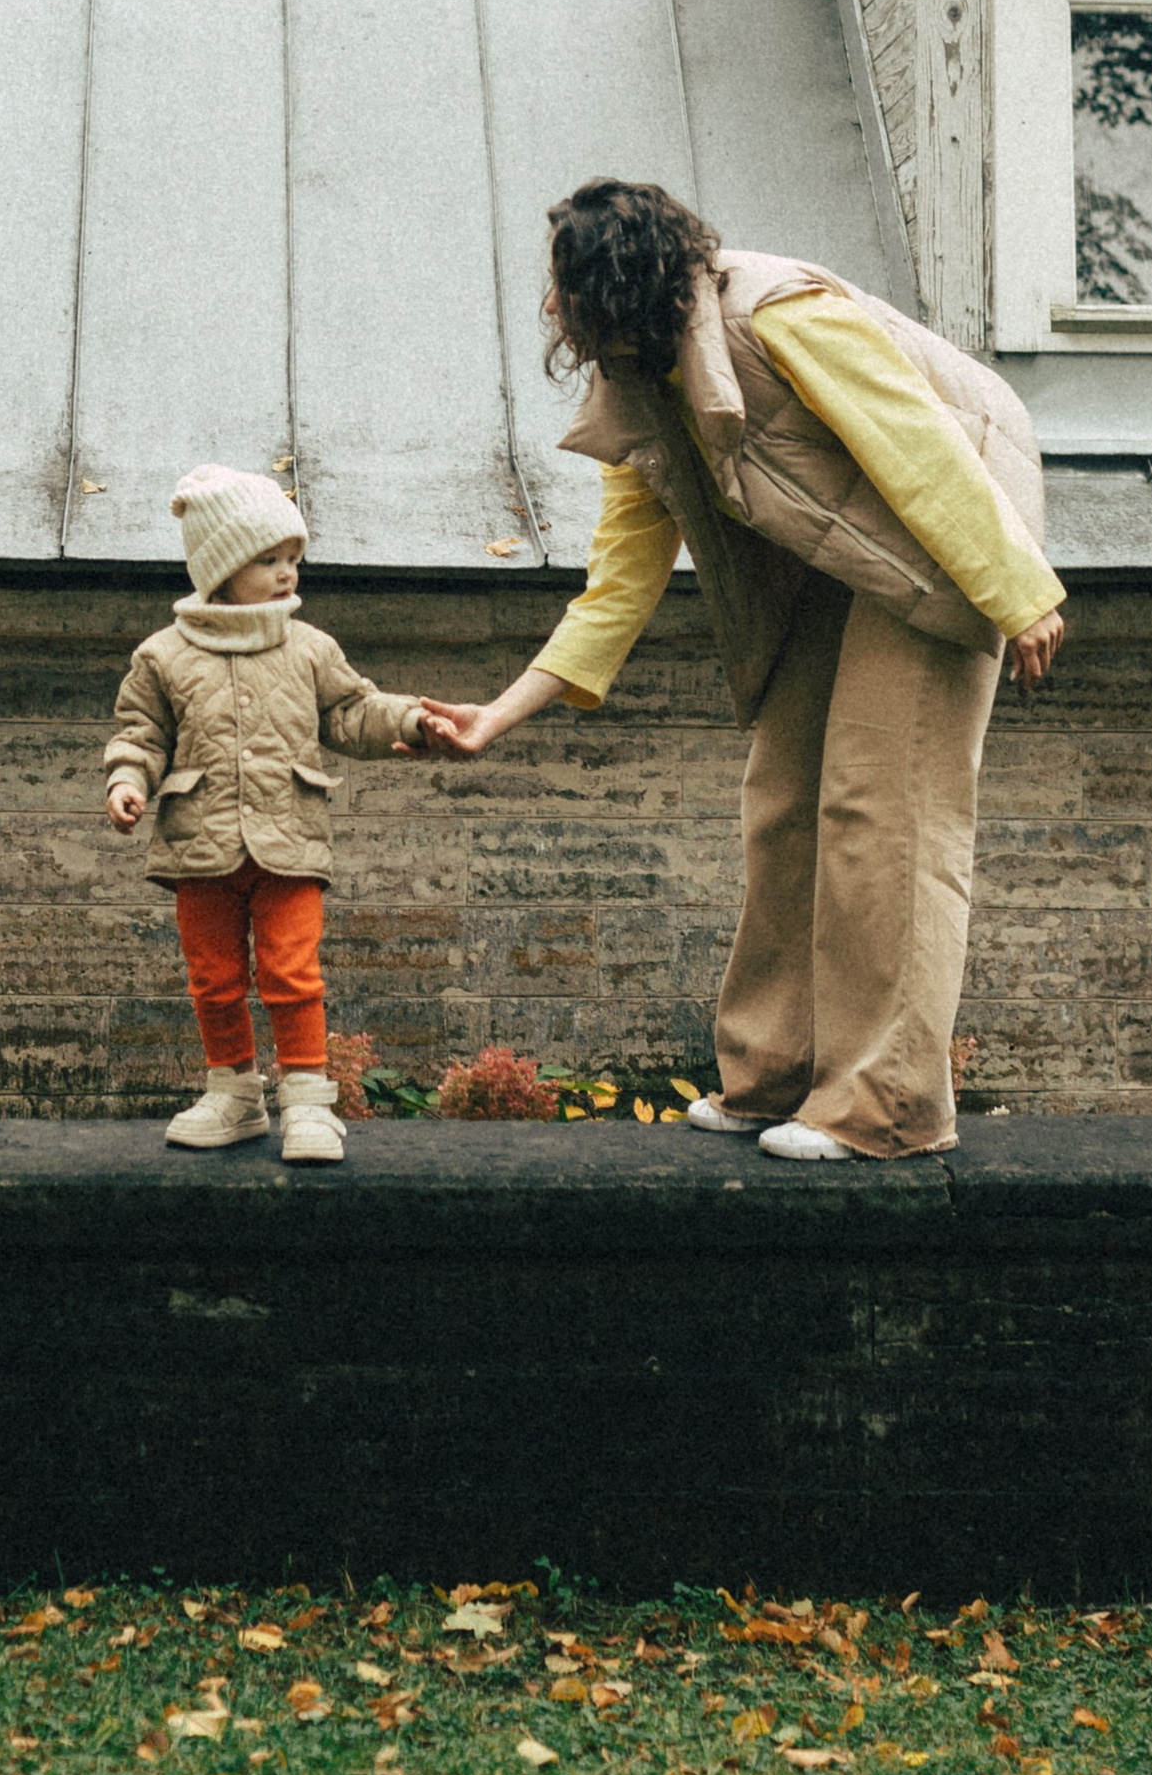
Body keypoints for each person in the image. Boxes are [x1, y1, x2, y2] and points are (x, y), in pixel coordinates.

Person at [421, 181, 1064, 1162]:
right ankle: (778, 1073)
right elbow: (616, 586)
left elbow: (917, 444)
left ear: (613, 286)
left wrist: (1018, 591)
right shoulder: (639, 386)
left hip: (959, 513)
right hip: (847, 546)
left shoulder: (773, 313)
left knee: (884, 805)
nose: (549, 307)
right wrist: (496, 715)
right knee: (784, 792)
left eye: (561, 286)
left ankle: (884, 1108)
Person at [106, 462, 431, 1165]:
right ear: (221, 570)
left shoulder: (309, 647)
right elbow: (142, 733)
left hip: (289, 840)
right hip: (200, 845)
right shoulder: (162, 655)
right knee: (213, 977)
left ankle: (308, 1103)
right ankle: (234, 1094)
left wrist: (409, 718)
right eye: (268, 559)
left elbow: (352, 711)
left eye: (293, 557)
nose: (288, 572)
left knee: (293, 971)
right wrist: (128, 780)